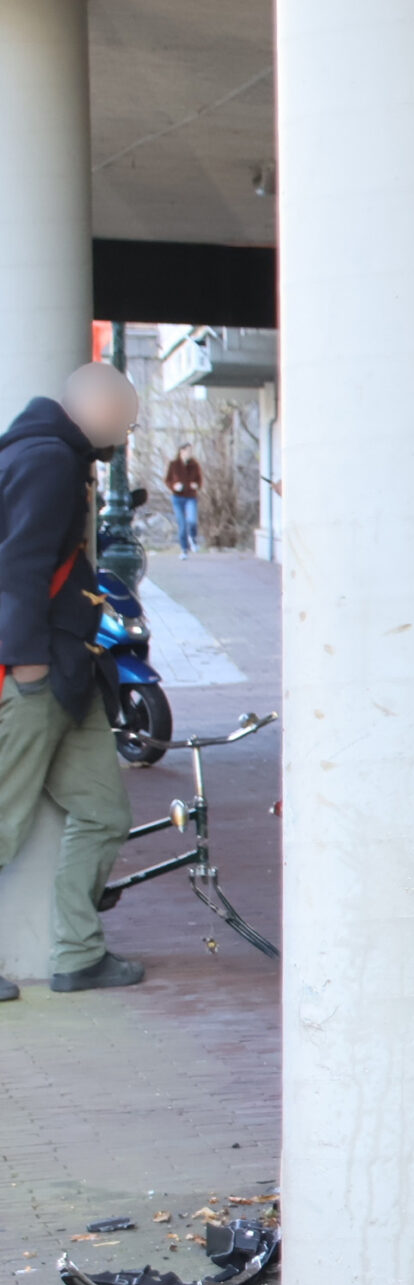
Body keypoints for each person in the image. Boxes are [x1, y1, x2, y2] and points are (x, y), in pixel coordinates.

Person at [0, 363, 145, 999]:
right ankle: (77, 953)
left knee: (103, 811)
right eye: (127, 421)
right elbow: (19, 566)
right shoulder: (50, 462)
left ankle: (79, 955)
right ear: (96, 410)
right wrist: (27, 661)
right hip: (37, 673)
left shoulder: (55, 455)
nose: (128, 433)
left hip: (68, 672)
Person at [163, 442, 203, 554]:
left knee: (192, 520)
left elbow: (199, 480)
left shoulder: (194, 465)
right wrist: (174, 486)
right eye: (188, 451)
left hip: (191, 496)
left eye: (191, 451)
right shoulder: (174, 464)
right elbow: (167, 480)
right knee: (182, 524)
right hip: (177, 497)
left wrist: (197, 485)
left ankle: (193, 539)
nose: (190, 453)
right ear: (182, 451)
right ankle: (184, 549)